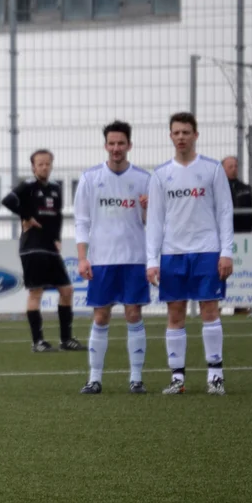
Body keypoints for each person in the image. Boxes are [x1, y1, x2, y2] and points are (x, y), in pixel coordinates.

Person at [146, 112, 234, 395]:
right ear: (170, 136)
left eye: (186, 132)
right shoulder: (160, 174)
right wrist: (152, 260)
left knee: (210, 309)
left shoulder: (212, 169)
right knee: (175, 313)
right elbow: (155, 220)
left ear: (196, 135)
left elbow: (225, 211)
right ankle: (177, 378)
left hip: (207, 250)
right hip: (173, 253)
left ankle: (215, 376)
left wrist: (226, 251)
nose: (181, 137)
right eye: (176, 132)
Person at [74, 121, 151, 394]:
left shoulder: (144, 179)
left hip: (134, 258)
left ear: (129, 145)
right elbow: (81, 221)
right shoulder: (90, 178)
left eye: (121, 143)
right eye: (112, 143)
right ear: (105, 145)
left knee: (133, 314)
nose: (116, 148)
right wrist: (82, 258)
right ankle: (94, 379)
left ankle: (136, 378)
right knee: (100, 316)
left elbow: (152, 223)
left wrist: (147, 209)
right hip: (102, 259)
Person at [1, 149, 85, 353]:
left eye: (47, 163)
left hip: (50, 247)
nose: (44, 167)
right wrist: (27, 217)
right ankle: (38, 342)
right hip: (32, 247)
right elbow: (8, 201)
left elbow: (57, 215)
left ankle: (66, 340)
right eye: (40, 164)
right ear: (33, 167)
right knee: (36, 292)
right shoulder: (28, 186)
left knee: (67, 290)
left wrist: (57, 238)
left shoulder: (56, 188)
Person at [222, 156, 252, 315]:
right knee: (220, 271)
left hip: (242, 235)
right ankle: (216, 305)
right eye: (230, 166)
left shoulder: (245, 188)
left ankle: (241, 305)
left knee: (242, 269)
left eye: (235, 166)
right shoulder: (216, 188)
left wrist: (250, 226)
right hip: (222, 236)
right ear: (222, 169)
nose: (234, 169)